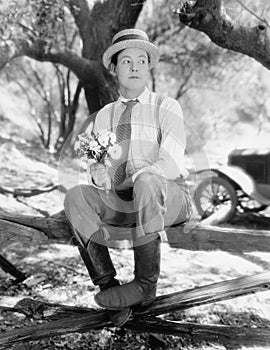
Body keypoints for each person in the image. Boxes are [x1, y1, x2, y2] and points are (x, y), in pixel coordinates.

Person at [64, 28, 191, 327]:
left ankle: (145, 283)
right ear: (114, 68)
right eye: (126, 61)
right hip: (126, 201)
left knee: (146, 181)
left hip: (168, 196)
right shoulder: (104, 116)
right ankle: (110, 288)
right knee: (75, 196)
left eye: (141, 60)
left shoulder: (167, 107)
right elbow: (103, 172)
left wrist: (143, 175)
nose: (134, 67)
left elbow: (171, 162)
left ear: (148, 67)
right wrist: (98, 177)